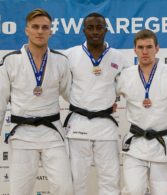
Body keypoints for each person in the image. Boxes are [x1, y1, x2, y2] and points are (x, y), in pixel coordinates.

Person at [0, 8, 73, 195]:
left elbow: (72, 94)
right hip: (22, 134)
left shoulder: (60, 61)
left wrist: (98, 104)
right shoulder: (10, 61)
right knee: (20, 190)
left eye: (44, 27)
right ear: (27, 30)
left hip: (52, 133)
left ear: (51, 31)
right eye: (35, 27)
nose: (40, 31)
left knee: (64, 188)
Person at [63, 12, 130, 195]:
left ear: (106, 30)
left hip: (105, 123)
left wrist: (109, 99)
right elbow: (62, 85)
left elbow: (128, 85)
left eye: (99, 27)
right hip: (78, 123)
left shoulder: (118, 57)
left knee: (110, 178)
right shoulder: (69, 55)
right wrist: (79, 101)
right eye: (90, 27)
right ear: (83, 30)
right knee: (76, 178)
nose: (95, 32)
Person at [116, 29, 167, 195]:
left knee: (163, 193)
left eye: (149, 47)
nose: (145, 52)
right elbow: (104, 92)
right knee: (133, 190)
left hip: (162, 145)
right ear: (135, 49)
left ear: (157, 48)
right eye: (141, 47)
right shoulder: (125, 75)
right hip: (135, 145)